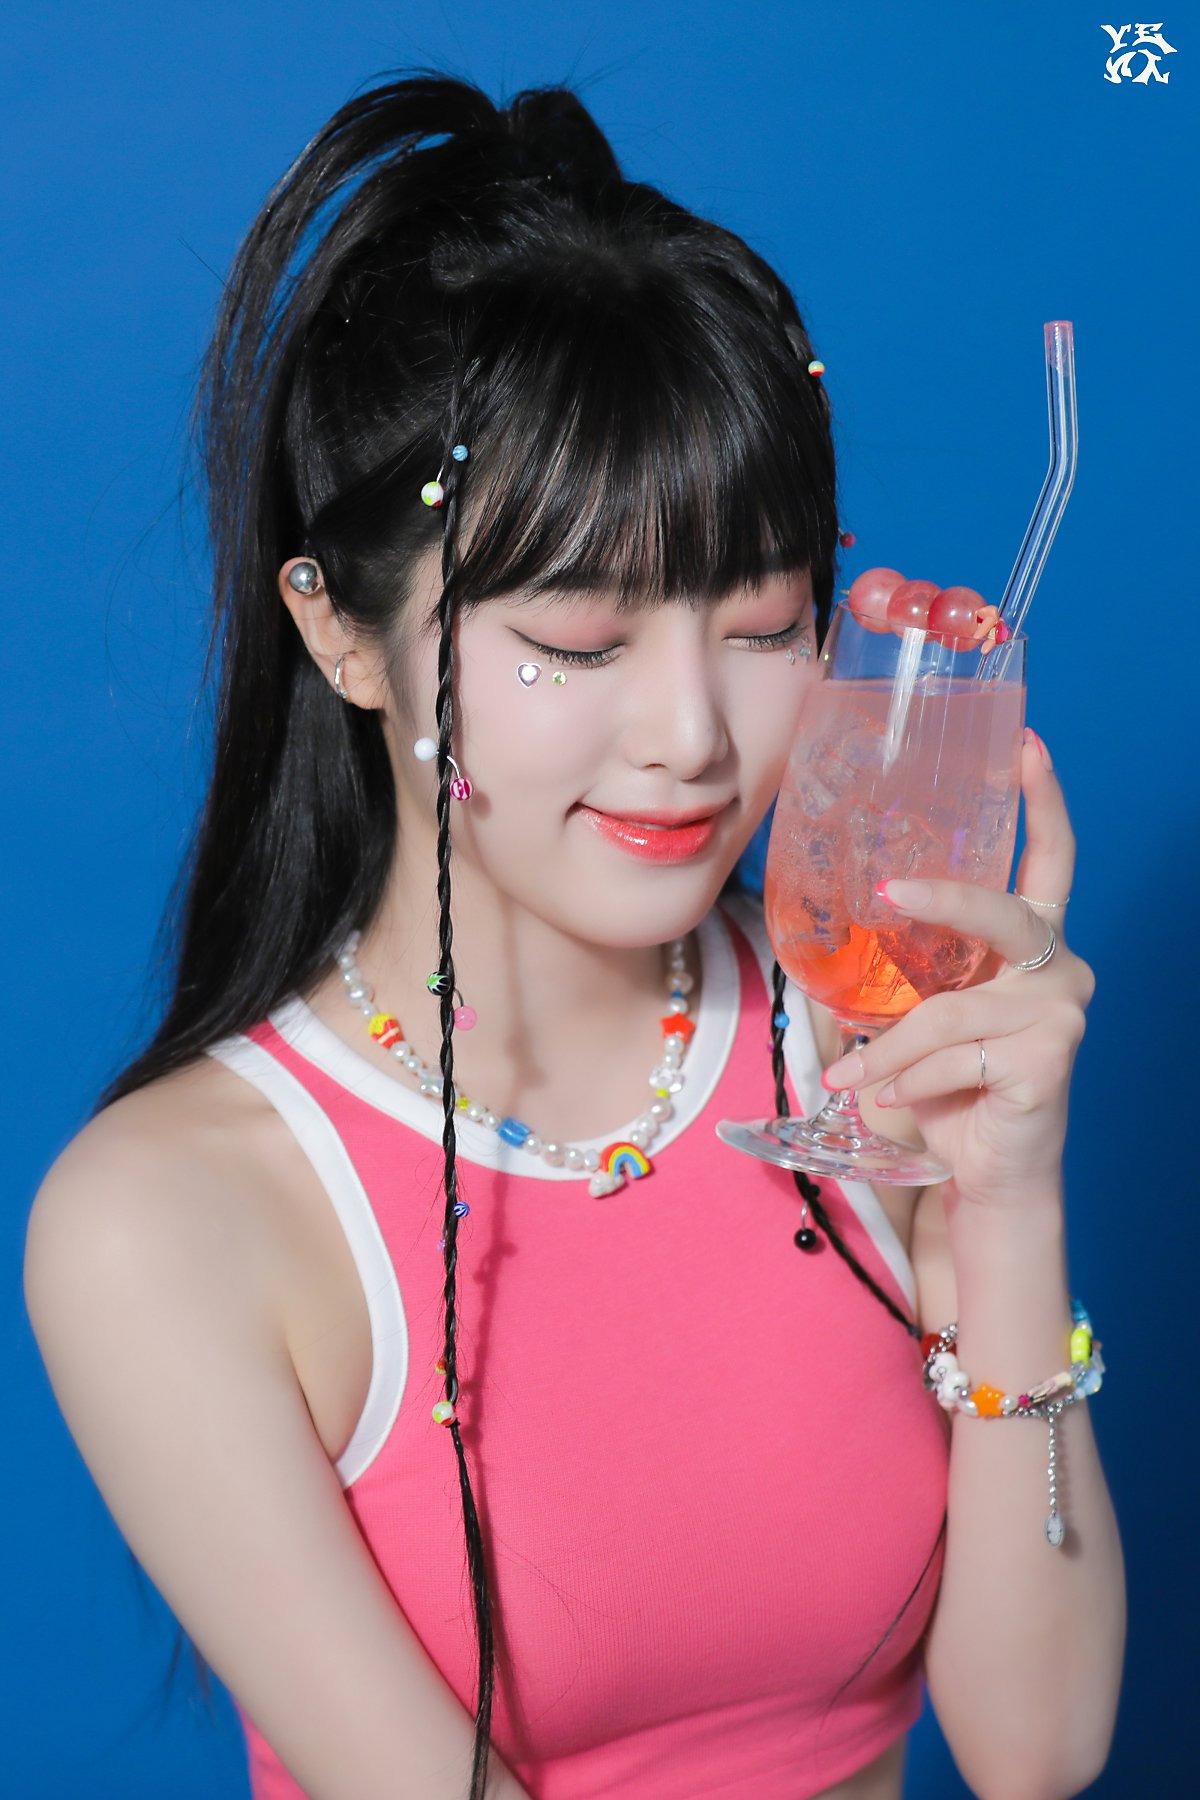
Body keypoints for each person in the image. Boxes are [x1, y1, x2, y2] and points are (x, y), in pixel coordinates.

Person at [23, 72, 1125, 1800]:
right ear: (343, 633)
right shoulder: (167, 1220)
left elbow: (1037, 1750)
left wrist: (1009, 1197)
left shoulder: (863, 1049)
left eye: (761, 625)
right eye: (579, 645)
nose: (691, 736)